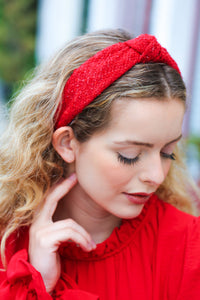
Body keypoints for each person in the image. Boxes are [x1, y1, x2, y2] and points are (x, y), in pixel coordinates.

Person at [0, 29, 200, 299]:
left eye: (167, 152)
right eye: (130, 154)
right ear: (68, 144)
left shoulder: (188, 248)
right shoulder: (6, 240)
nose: (156, 175)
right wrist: (38, 284)